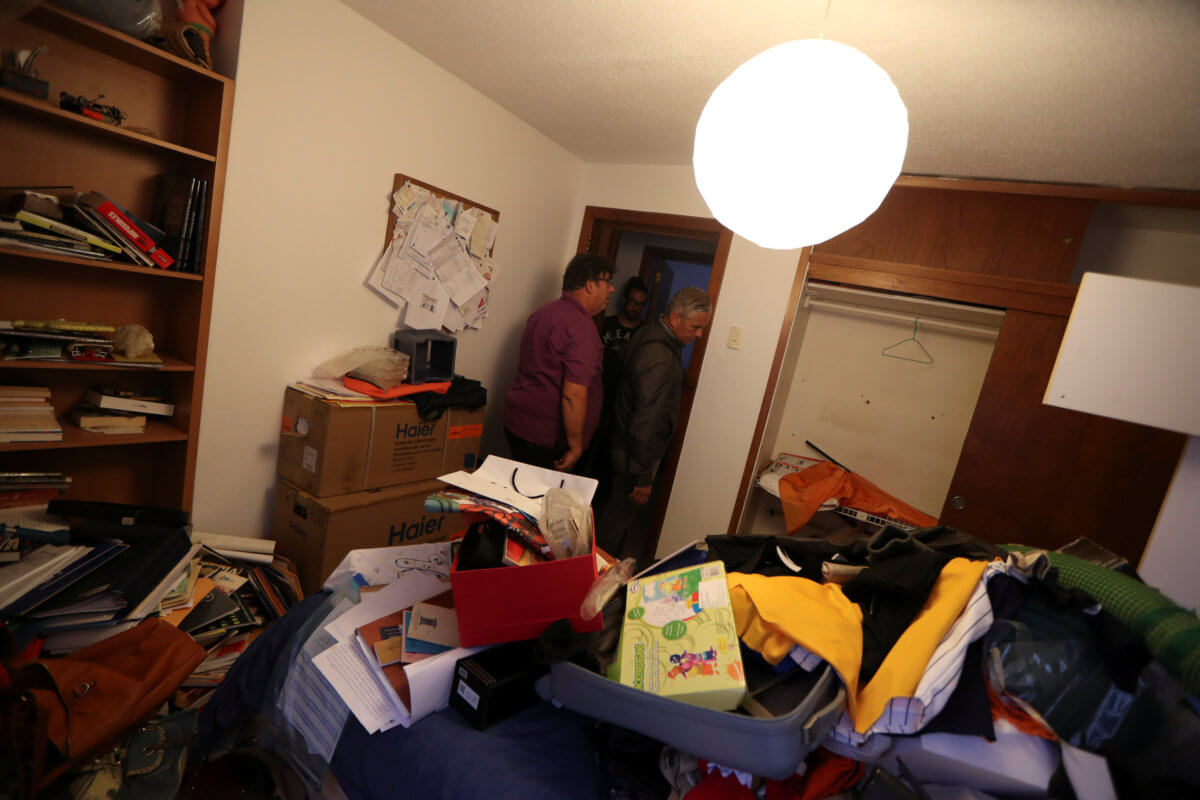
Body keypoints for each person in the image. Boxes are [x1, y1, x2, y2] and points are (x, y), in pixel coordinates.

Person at [598, 286, 712, 560]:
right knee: (613, 527)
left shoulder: (650, 332)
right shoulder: (660, 357)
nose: (699, 335)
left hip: (624, 449)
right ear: (675, 318)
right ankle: (595, 577)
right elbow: (645, 420)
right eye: (695, 327)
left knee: (612, 520)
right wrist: (643, 477)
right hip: (631, 458)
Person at [503, 254, 615, 471]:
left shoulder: (544, 312)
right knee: (540, 492)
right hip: (545, 439)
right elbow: (573, 395)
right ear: (590, 285)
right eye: (608, 281)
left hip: (518, 424)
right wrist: (576, 447)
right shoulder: (581, 329)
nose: (612, 289)